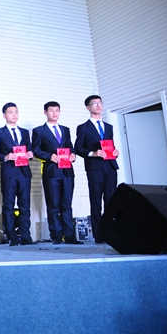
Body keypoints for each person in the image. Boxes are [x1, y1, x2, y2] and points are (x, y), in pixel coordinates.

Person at [32, 101, 82, 245]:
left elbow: (70, 147)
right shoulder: (38, 131)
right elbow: (35, 150)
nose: (54, 113)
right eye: (51, 110)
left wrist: (73, 154)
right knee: (53, 205)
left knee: (67, 204)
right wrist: (49, 156)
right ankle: (56, 235)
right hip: (51, 172)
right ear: (45, 112)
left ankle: (70, 235)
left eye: (57, 110)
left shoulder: (65, 129)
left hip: (67, 172)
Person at [75, 95, 119, 243]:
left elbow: (110, 145)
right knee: (96, 200)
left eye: (100, 103)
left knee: (111, 201)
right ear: (88, 107)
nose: (98, 105)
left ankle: (111, 232)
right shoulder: (83, 127)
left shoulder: (109, 127)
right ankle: (99, 234)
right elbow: (78, 148)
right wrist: (92, 153)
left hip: (110, 166)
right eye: (94, 103)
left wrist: (115, 152)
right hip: (95, 167)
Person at [0, 102, 35, 246]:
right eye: (10, 112)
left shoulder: (24, 132)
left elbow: (29, 148)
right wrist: (6, 156)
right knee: (8, 205)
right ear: (4, 115)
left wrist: (31, 154)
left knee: (25, 205)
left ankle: (26, 236)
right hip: (9, 172)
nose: (14, 115)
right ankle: (11, 237)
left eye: (16, 112)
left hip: (24, 172)